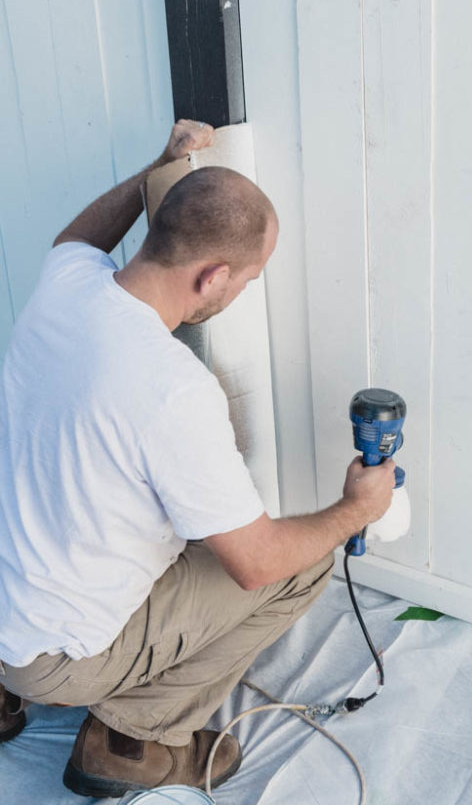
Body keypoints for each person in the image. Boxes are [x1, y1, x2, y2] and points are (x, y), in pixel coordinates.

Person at [0, 119, 396, 798]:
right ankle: (129, 740)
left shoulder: (65, 284)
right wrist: (357, 507)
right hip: (51, 656)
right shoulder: (172, 391)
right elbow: (256, 562)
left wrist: (161, 165)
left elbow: (79, 235)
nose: (240, 291)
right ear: (212, 276)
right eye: (245, 279)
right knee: (301, 564)